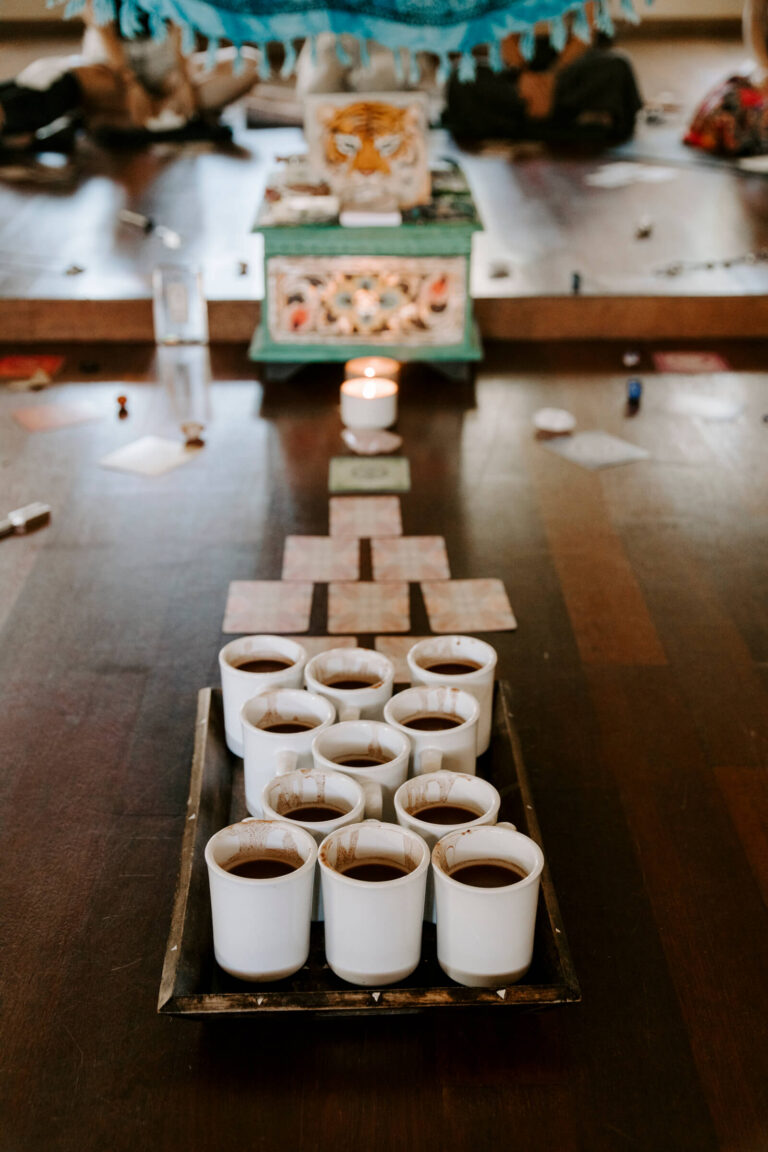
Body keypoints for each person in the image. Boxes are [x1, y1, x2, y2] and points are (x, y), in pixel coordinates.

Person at [0, 0, 261, 155]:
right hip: (115, 69)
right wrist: (132, 85)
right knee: (60, 84)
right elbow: (103, 30)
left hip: (163, 66)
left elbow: (181, 24)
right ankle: (140, 116)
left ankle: (136, 117)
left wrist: (182, 82)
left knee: (250, 64)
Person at [441, 10, 642, 147]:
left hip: (565, 67)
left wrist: (551, 79)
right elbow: (501, 34)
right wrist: (524, 77)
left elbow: (585, 33)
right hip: (518, 70)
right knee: (461, 77)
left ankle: (521, 121)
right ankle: (568, 122)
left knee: (618, 67)